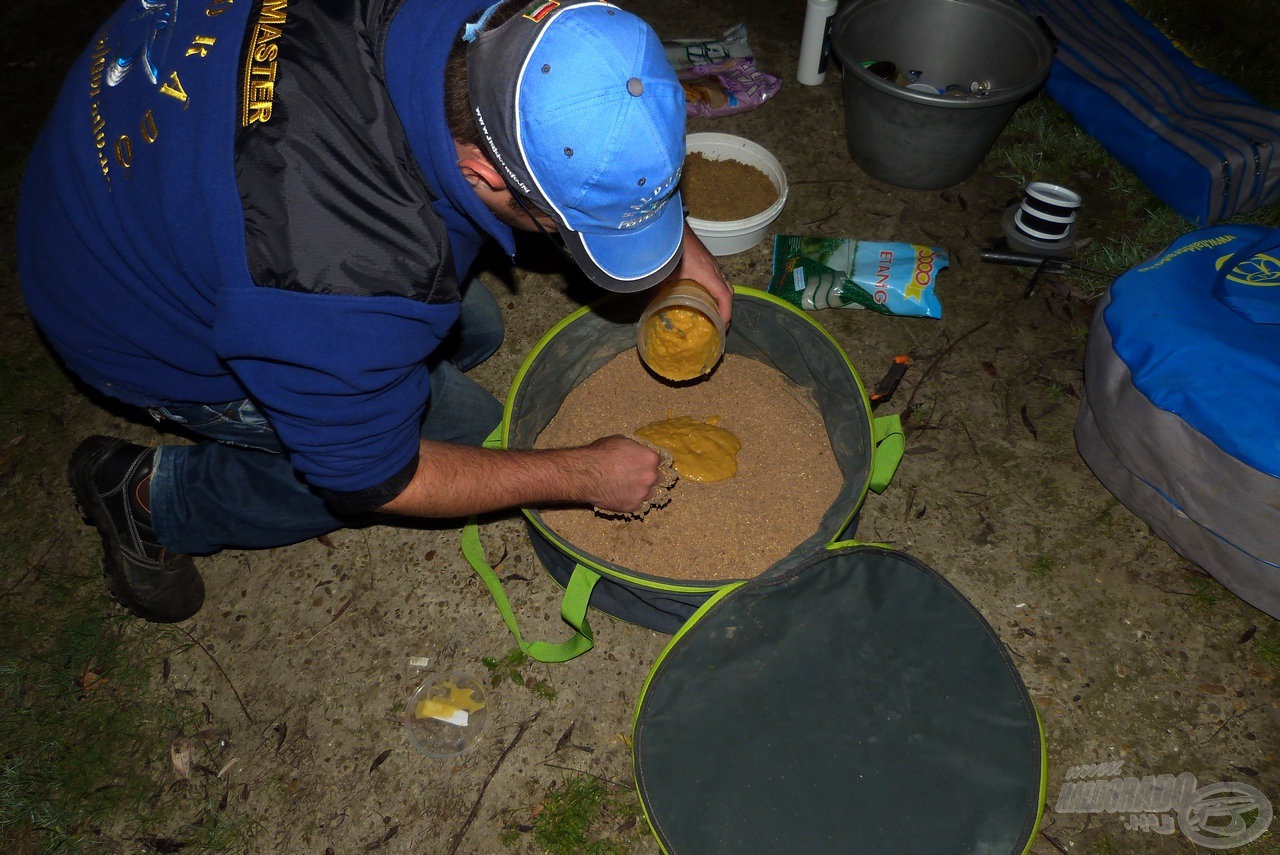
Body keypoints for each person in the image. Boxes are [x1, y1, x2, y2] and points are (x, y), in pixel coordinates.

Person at [16, 0, 733, 624]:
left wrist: (665, 230)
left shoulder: (520, 33)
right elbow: (376, 478)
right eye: (565, 223)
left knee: (469, 328)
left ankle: (359, 374)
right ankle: (151, 499)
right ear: (483, 172)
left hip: (151, 157)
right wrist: (579, 476)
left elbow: (603, 96)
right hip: (119, 304)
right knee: (470, 439)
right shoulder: (335, 268)